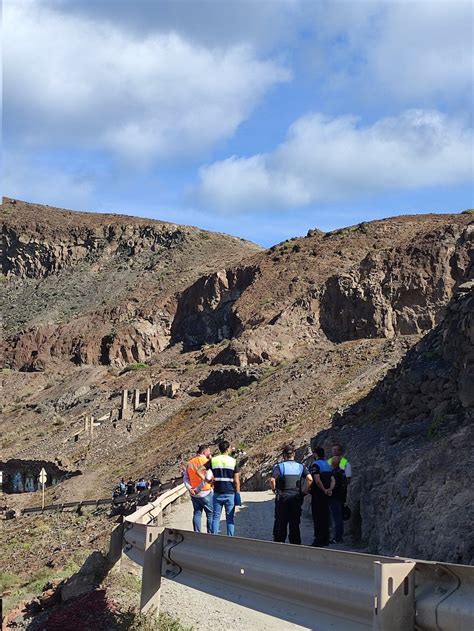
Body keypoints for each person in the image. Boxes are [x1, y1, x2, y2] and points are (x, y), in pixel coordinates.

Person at [270, 445, 313, 544]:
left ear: (284, 455)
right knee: (295, 523)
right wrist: (304, 492)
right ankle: (295, 545)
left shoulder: (279, 466)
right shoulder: (301, 466)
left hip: (283, 498)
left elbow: (272, 480)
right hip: (296, 498)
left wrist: (274, 490)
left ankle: (280, 543)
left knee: (282, 522)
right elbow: (310, 479)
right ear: (294, 454)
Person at [207, 440, 241, 536]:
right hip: (230, 493)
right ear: (227, 449)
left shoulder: (213, 460)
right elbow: (236, 481)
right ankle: (230, 538)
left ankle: (214, 537)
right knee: (230, 518)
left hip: (217, 492)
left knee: (215, 517)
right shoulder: (233, 461)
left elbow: (200, 470)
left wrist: (209, 480)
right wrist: (237, 494)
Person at [184, 445, 214, 533]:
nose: (210, 453)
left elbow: (186, 477)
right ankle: (210, 534)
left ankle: (197, 533)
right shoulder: (206, 461)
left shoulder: (190, 462)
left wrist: (190, 488)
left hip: (194, 493)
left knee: (197, 513)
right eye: (208, 451)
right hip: (205, 491)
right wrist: (199, 488)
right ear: (204, 452)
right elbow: (208, 477)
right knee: (210, 514)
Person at [310, 447, 334, 547]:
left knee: (317, 517)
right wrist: (330, 489)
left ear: (316, 454)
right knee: (326, 516)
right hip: (328, 494)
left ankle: (318, 540)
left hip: (318, 494)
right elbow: (333, 479)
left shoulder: (315, 464)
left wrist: (323, 489)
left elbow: (317, 479)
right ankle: (326, 539)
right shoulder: (328, 464)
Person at [328, 455, 347, 543]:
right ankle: (338, 536)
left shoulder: (335, 473)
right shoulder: (342, 472)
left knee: (336, 518)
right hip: (340, 497)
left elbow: (334, 485)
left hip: (335, 497)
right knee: (338, 517)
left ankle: (337, 537)